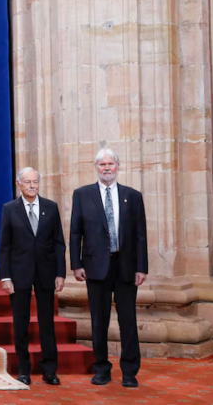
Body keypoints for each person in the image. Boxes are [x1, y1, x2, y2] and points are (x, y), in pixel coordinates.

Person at [70, 148, 147, 388]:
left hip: (125, 267)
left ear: (117, 167)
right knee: (99, 321)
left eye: (110, 164)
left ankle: (129, 371)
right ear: (96, 167)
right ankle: (101, 369)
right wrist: (76, 264)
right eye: (102, 164)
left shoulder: (132, 196)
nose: (106, 167)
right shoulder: (82, 195)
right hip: (95, 268)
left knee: (128, 321)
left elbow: (140, 235)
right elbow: (75, 232)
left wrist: (141, 267)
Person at [0, 167, 66, 386]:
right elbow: (4, 246)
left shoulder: (51, 208)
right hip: (19, 274)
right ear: (19, 184)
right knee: (21, 323)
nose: (32, 185)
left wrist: (60, 273)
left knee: (47, 323)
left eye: (35, 181)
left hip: (46, 273)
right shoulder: (9, 209)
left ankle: (49, 370)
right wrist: (5, 277)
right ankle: (24, 370)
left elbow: (58, 243)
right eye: (28, 182)